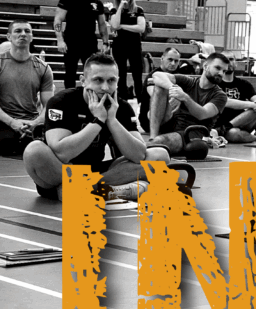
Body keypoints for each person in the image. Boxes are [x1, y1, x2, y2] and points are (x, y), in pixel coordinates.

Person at [24, 53, 174, 202]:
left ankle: (84, 189)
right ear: (83, 81)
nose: (105, 87)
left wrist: (112, 120)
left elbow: (138, 155)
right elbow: (62, 153)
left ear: (118, 81)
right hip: (59, 170)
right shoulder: (61, 101)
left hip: (97, 171)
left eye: (111, 81)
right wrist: (98, 121)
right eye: (98, 80)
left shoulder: (121, 107)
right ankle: (108, 190)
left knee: (160, 155)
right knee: (34, 151)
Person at [146, 53, 230, 154]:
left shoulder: (220, 95)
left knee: (159, 142)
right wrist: (173, 88)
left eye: (224, 71)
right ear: (205, 66)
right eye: (218, 68)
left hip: (193, 132)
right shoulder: (189, 81)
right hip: (172, 124)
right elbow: (157, 75)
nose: (221, 73)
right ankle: (152, 137)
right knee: (160, 86)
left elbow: (202, 114)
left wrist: (184, 97)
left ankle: (148, 147)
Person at [0, 20, 55, 156]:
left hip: (31, 122)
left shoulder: (43, 68)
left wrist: (35, 123)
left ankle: (85, 171)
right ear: (9, 37)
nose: (23, 34)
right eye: (18, 31)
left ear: (31, 37)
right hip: (4, 121)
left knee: (59, 143)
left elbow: (49, 105)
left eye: (27, 31)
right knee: (7, 144)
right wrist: (12, 122)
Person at [54, 0, 109, 89]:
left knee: (92, 72)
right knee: (70, 72)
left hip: (89, 42)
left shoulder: (97, 3)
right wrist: (60, 40)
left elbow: (102, 24)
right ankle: (69, 96)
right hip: (71, 41)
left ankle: (91, 95)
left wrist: (105, 42)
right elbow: (58, 20)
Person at [213, 65, 256, 144]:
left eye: (231, 59)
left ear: (235, 63)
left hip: (243, 122)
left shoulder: (243, 83)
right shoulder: (215, 84)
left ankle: (225, 128)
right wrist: (252, 104)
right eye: (226, 61)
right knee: (234, 134)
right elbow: (225, 102)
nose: (229, 63)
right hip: (220, 124)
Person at [108, 0, 147, 102]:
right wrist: (120, 7)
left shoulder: (138, 10)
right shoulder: (114, 10)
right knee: (121, 74)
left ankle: (140, 101)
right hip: (119, 45)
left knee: (137, 74)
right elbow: (114, 25)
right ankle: (122, 101)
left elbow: (141, 28)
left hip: (134, 45)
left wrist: (122, 27)